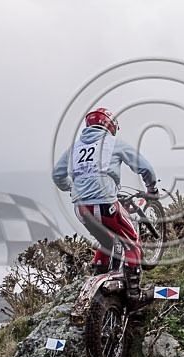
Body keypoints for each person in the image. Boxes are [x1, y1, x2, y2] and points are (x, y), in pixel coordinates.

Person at [52, 107, 159, 302]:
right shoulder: (114, 143)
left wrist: (72, 188)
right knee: (131, 241)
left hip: (81, 209)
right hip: (105, 204)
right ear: (110, 126)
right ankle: (134, 293)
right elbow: (145, 168)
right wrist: (151, 188)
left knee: (107, 242)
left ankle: (98, 280)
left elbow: (57, 175)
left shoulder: (74, 148)